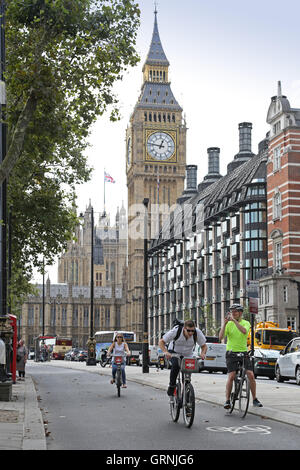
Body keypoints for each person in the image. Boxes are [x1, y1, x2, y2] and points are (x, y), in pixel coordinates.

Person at [219, 303, 263, 409]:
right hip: (231, 353)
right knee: (232, 376)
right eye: (232, 312)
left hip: (243, 352)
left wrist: (233, 321)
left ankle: (255, 399)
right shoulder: (228, 324)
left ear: (240, 313)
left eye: (235, 312)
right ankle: (227, 400)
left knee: (251, 375)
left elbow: (244, 331)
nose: (233, 314)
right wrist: (224, 324)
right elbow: (220, 337)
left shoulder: (246, 323)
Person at [159, 319, 207, 399]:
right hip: (174, 352)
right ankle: (172, 386)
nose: (191, 333)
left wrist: (203, 353)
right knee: (175, 366)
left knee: (187, 373)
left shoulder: (197, 333)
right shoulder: (176, 330)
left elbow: (204, 346)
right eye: (188, 331)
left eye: (192, 331)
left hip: (188, 354)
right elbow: (161, 342)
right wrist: (165, 352)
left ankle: (186, 393)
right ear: (184, 328)